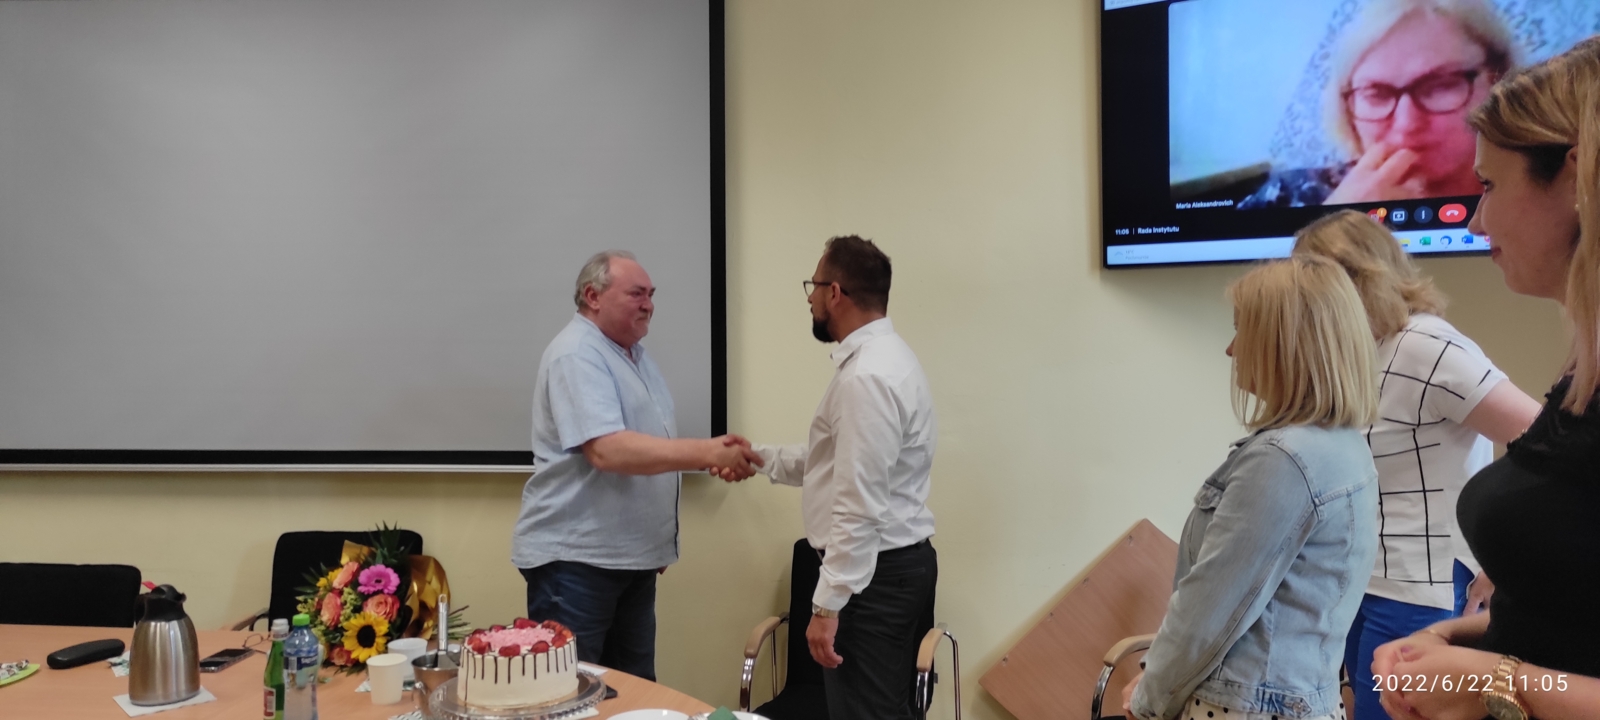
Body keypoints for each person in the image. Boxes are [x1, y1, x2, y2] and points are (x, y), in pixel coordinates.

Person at [1372, 36, 1600, 720]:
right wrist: (1453, 639)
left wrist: (1491, 677)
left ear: (1576, 177)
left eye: (1490, 186)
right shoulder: (1580, 378)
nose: (1476, 220)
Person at [1291, 211, 1541, 720]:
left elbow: (1543, 444)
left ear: (1358, 277)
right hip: (1361, 577)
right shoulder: (1360, 354)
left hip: (1422, 586)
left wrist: (1505, 563)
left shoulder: (1427, 345)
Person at [1122, 255, 1380, 720]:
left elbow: (1210, 609)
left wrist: (1149, 699)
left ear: (1284, 344)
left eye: (1241, 331)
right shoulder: (1343, 445)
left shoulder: (1283, 460)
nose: (1231, 349)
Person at [513, 250, 763, 681]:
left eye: (651, 294)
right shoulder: (577, 354)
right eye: (636, 294)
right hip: (577, 565)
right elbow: (608, 450)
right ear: (593, 296)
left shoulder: (633, 356)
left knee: (633, 694)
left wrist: (655, 541)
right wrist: (709, 453)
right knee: (569, 696)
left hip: (629, 561)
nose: (648, 304)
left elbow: (649, 447)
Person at [718, 236, 938, 720]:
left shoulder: (867, 379)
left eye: (813, 287)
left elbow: (859, 503)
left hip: (871, 580)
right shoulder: (884, 361)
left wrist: (826, 606)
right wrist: (759, 458)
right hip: (883, 570)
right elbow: (836, 463)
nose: (810, 299)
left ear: (835, 292)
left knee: (866, 715)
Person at [1240, 0, 1514, 208]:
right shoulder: (1288, 196)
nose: (1407, 124)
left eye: (1440, 85)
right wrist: (1336, 224)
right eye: (1376, 94)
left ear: (1497, 79)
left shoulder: (1535, 193)